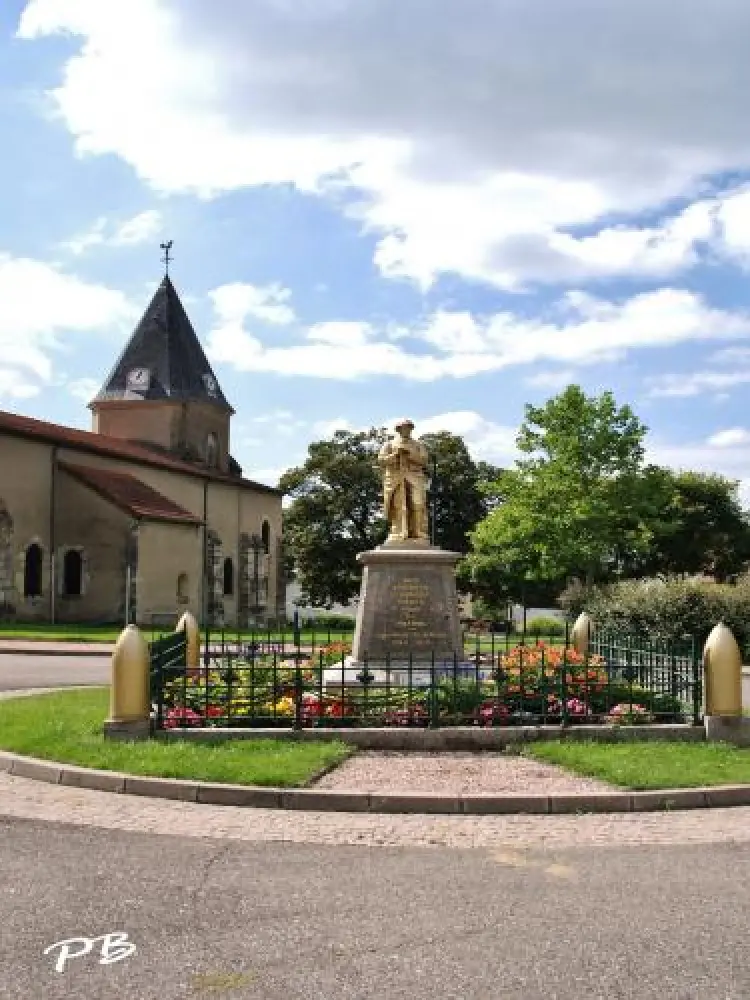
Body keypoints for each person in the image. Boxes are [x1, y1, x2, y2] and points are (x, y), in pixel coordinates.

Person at [377, 418, 429, 542]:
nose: (407, 430)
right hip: (396, 476)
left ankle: (418, 531)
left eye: (409, 428)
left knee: (418, 503)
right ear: (399, 430)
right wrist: (395, 455)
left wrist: (409, 454)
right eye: (404, 428)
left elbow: (424, 460)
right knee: (397, 504)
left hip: (414, 476)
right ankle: (397, 531)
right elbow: (381, 460)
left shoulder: (418, 445)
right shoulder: (389, 444)